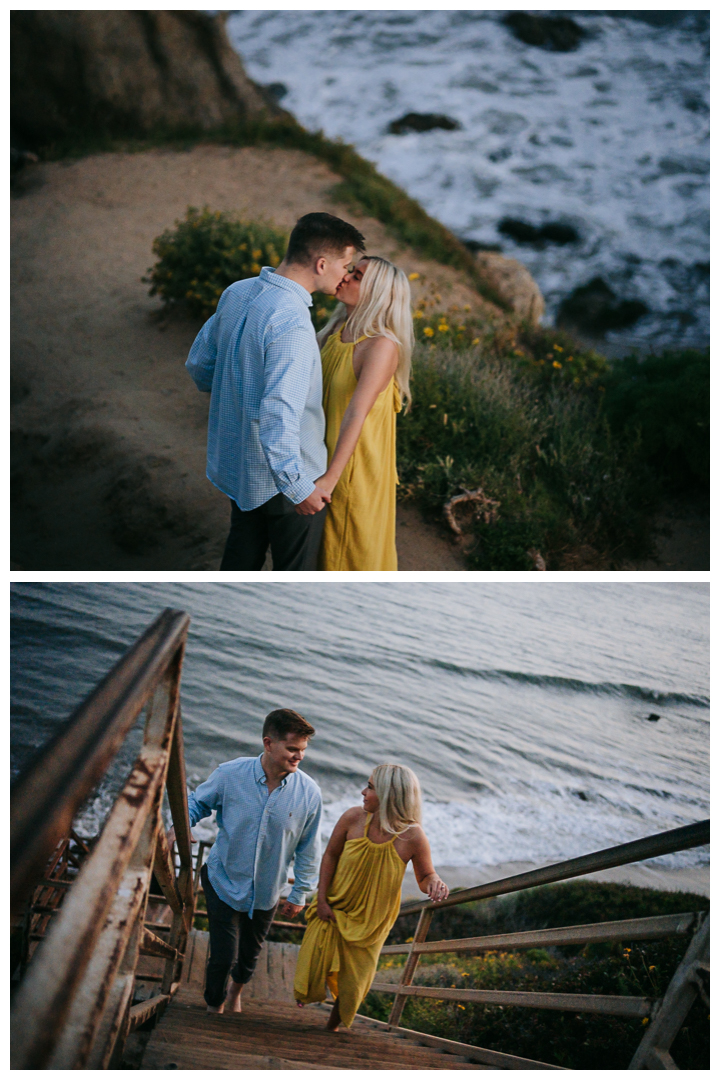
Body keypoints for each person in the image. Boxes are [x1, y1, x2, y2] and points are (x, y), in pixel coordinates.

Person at [186, 212, 366, 570]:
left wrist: (233, 395)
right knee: (294, 573)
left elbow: (199, 366)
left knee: (240, 557)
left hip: (240, 465)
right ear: (321, 263)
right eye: (346, 265)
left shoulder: (237, 292)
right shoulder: (293, 324)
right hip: (290, 477)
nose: (347, 274)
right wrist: (299, 488)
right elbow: (279, 413)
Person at [168, 709, 322, 1014]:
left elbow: (308, 848)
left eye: (303, 750)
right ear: (268, 743)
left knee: (249, 957)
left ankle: (236, 992)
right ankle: (214, 1005)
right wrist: (178, 828)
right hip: (222, 880)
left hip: (267, 892)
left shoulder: (309, 794)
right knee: (223, 956)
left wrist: (299, 893)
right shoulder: (231, 774)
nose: (299, 757)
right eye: (292, 749)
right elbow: (198, 802)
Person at [293, 763, 447, 1032]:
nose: (363, 792)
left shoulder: (412, 836)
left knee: (354, 982)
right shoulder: (353, 818)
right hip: (334, 905)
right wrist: (323, 898)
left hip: (372, 922)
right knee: (315, 962)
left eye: (371, 788)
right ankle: (309, 1001)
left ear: (390, 795)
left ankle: (331, 1029)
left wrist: (434, 881)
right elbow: (330, 855)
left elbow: (425, 876)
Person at [313, 256, 414, 570]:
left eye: (356, 276)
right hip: (321, 457)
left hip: (351, 470)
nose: (345, 277)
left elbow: (357, 413)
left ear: (375, 293)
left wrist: (330, 479)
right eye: (351, 270)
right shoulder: (337, 329)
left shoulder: (382, 346)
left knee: (348, 554)